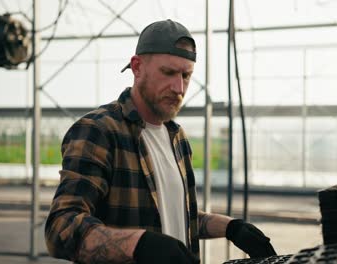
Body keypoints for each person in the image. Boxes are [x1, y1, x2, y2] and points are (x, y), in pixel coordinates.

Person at [45, 19, 277, 264]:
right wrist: (139, 245)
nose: (178, 87)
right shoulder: (99, 131)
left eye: (186, 76)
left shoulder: (177, 138)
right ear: (137, 67)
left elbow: (174, 214)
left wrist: (230, 227)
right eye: (168, 72)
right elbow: (61, 228)